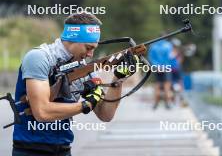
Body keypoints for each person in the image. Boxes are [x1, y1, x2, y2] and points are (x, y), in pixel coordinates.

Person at [12, 13, 138, 156]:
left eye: (94, 48)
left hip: (64, 149)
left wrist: (118, 79)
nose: (91, 54)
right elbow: (42, 112)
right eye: (88, 47)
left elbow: (106, 115)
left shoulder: (85, 69)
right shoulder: (39, 58)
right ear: (73, 39)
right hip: (30, 150)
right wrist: (85, 105)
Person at [148, 39, 174, 110]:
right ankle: (168, 103)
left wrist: (157, 66)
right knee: (167, 86)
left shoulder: (153, 46)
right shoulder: (168, 45)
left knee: (157, 86)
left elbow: (151, 57)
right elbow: (169, 57)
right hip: (166, 67)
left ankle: (155, 103)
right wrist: (164, 66)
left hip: (156, 68)